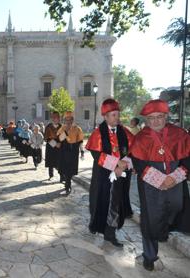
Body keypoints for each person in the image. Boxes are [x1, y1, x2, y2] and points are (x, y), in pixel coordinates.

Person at [129, 99, 190, 271]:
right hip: (150, 185)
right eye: (151, 118)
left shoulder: (180, 134)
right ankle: (149, 255)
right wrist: (160, 180)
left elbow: (187, 159)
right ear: (147, 120)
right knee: (150, 218)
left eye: (159, 117)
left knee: (176, 210)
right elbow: (138, 163)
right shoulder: (141, 138)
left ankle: (166, 231)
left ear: (166, 116)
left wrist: (175, 177)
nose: (155, 121)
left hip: (176, 182)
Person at [85, 99, 134, 247]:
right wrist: (116, 163)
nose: (117, 118)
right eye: (113, 115)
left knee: (116, 204)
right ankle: (95, 224)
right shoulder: (98, 133)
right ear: (105, 116)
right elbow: (96, 155)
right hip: (102, 177)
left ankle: (110, 233)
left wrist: (123, 166)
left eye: (118, 114)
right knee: (99, 201)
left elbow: (132, 151)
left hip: (121, 176)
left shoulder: (125, 132)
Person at [57, 111, 84, 195]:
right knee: (66, 169)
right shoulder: (62, 128)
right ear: (64, 120)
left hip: (74, 151)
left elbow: (80, 141)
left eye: (70, 120)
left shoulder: (77, 128)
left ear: (72, 120)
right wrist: (65, 132)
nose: (68, 122)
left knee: (71, 170)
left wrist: (82, 151)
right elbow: (60, 139)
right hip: (64, 150)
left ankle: (68, 182)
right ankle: (68, 185)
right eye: (67, 120)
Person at [44, 112, 62, 181]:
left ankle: (61, 176)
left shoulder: (61, 126)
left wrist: (60, 143)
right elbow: (46, 137)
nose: (55, 119)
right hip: (50, 146)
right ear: (52, 119)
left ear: (59, 119)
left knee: (60, 162)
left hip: (59, 146)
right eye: (54, 118)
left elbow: (64, 135)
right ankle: (51, 175)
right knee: (51, 161)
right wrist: (55, 144)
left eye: (57, 118)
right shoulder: (48, 127)